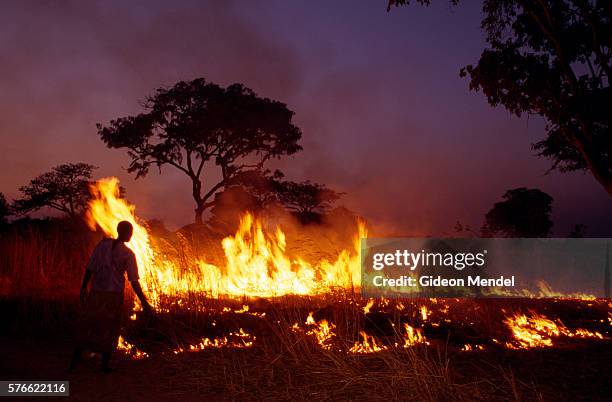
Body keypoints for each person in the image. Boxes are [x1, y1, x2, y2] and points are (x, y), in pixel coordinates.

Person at [70, 220, 153, 373]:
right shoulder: (128, 254)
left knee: (88, 325)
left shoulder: (102, 246)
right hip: (113, 296)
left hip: (96, 292)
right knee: (110, 328)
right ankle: (104, 365)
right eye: (131, 232)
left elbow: (90, 268)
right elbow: (134, 282)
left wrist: (83, 288)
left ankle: (74, 362)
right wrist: (145, 303)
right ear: (128, 233)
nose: (131, 235)